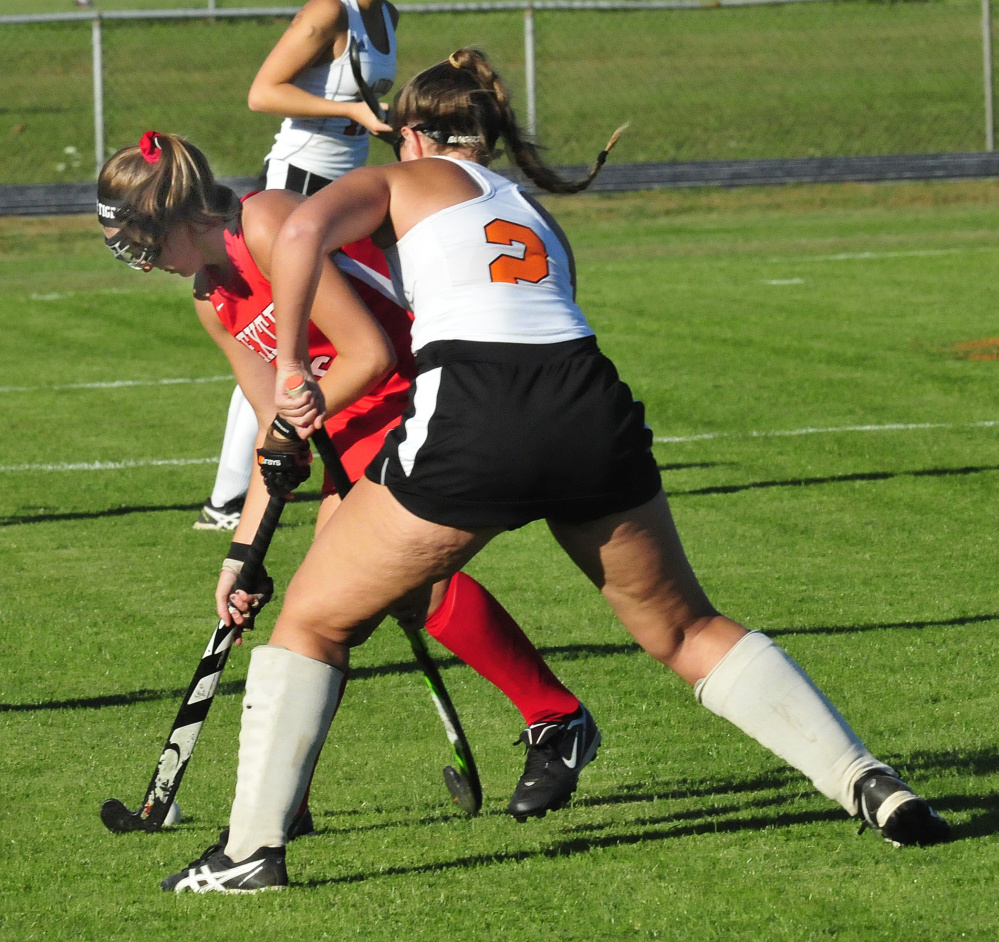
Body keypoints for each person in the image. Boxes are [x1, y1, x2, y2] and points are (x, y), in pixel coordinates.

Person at [160, 49, 950, 894]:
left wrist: (290, 368)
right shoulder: (529, 208)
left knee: (313, 620)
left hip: (479, 404)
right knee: (682, 631)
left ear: (414, 136)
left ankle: (250, 852)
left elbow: (304, 226)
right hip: (588, 398)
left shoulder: (400, 180)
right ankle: (866, 779)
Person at [96, 130, 604, 836]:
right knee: (321, 610)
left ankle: (554, 717)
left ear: (178, 216)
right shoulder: (213, 302)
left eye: (144, 243)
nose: (144, 262)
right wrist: (241, 556)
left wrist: (297, 426)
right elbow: (278, 431)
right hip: (350, 431)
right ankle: (287, 805)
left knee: (376, 590)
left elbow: (369, 352)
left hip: (418, 399)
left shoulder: (268, 223)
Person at [195, 0, 397, 531]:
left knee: (328, 337)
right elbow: (263, 93)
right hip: (296, 187)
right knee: (273, 346)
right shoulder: (331, 10)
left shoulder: (388, 14)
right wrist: (353, 113)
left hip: (340, 190)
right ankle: (229, 498)